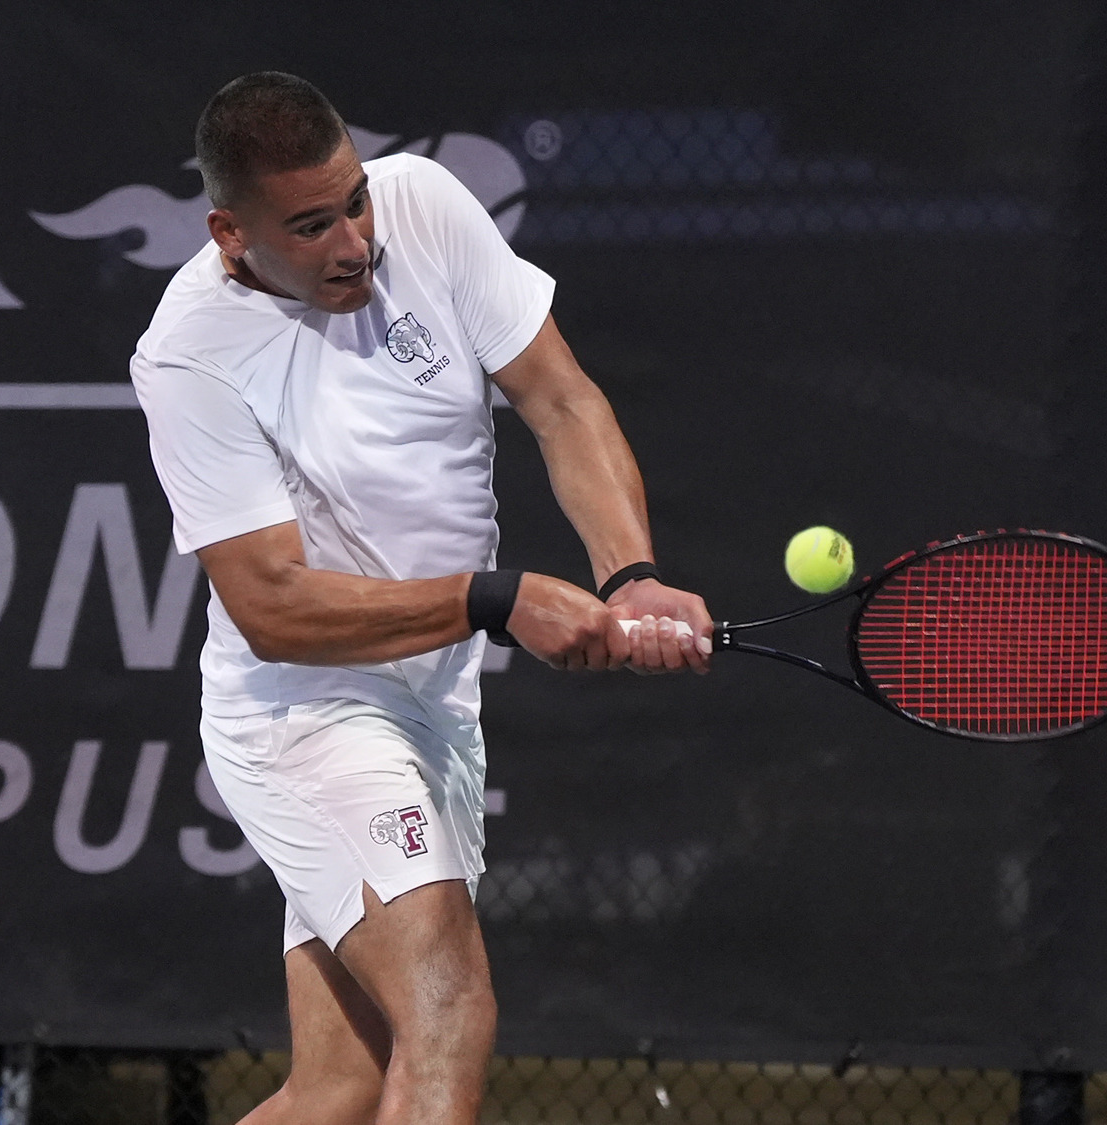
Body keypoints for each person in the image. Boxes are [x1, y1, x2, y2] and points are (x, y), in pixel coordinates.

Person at [129, 72, 714, 1125]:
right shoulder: (188, 356)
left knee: (338, 1086)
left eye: (351, 199)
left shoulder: (425, 208)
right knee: (446, 1010)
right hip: (301, 714)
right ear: (229, 231)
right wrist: (496, 601)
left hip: (431, 709)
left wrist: (628, 576)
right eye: (309, 226)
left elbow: (559, 399)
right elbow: (273, 606)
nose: (353, 240)